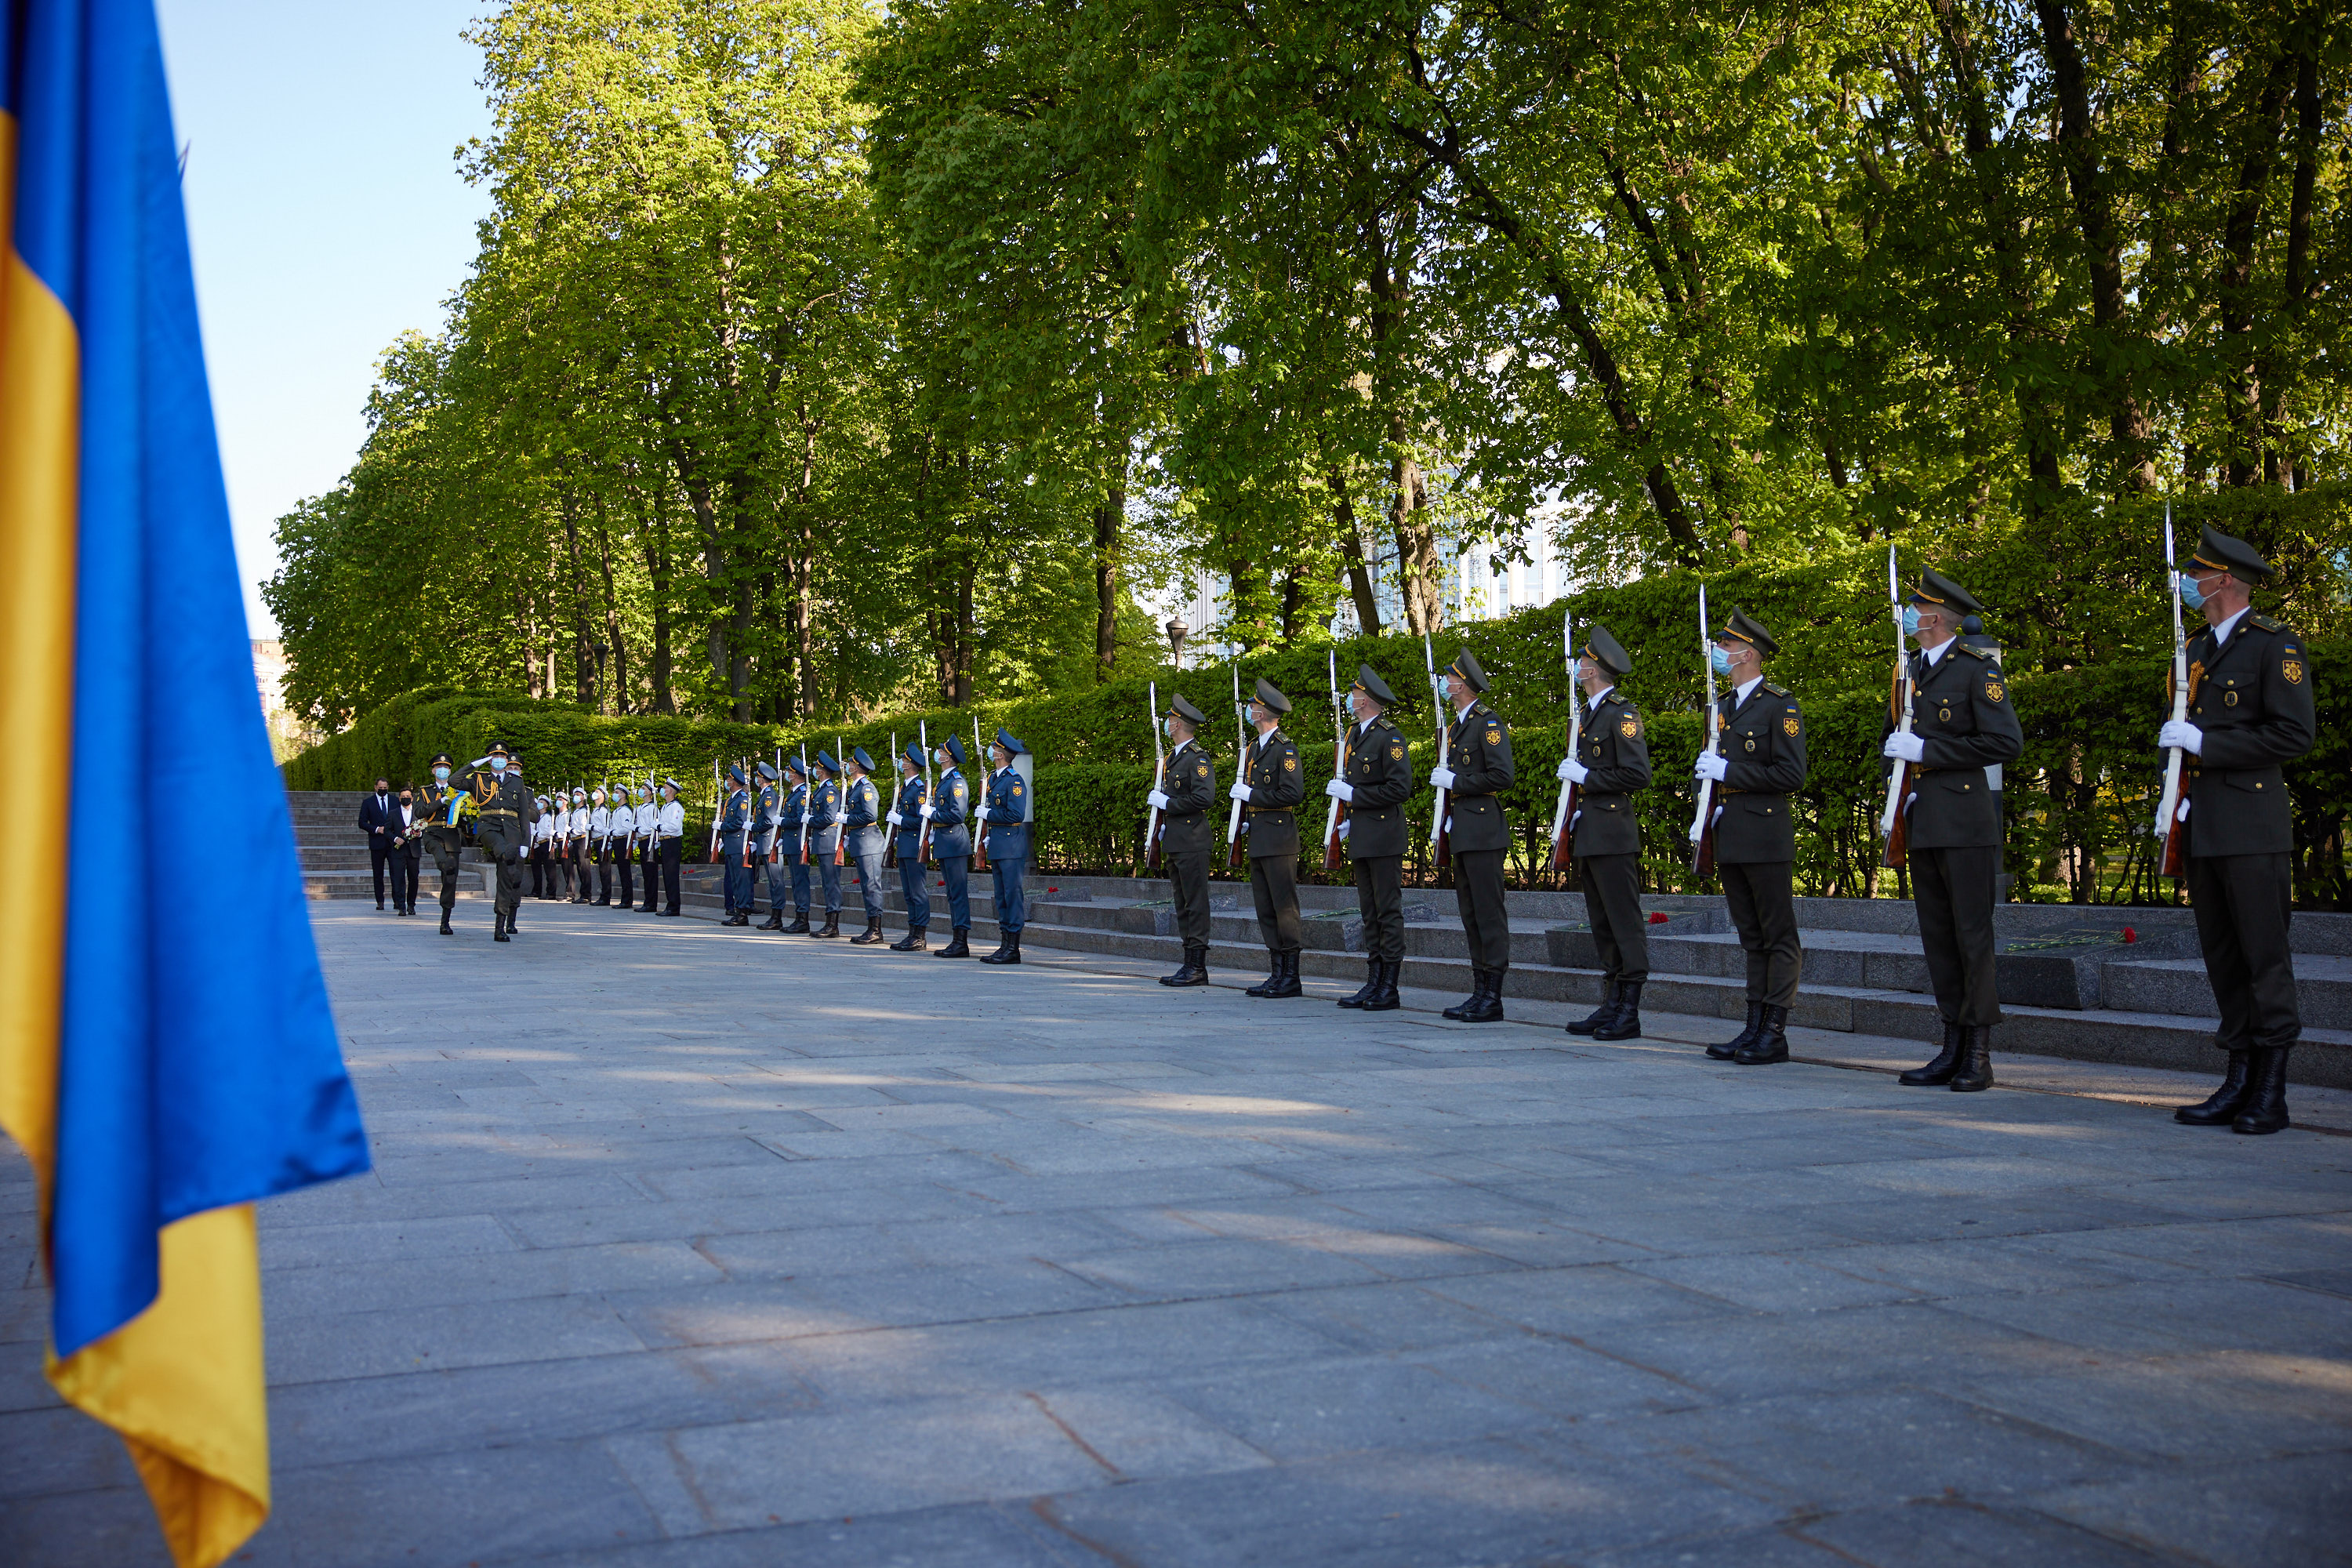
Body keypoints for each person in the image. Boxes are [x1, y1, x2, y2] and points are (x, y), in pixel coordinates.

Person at [2162, 524, 2317, 1135]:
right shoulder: (2197, 648)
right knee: (2224, 956)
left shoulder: (2273, 647)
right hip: (2204, 823)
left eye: (2198, 574)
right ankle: (2238, 1078)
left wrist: (2208, 743)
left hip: (2252, 826)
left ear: (2224, 580)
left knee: (2263, 956)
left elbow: (2294, 734)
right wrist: (2173, 793)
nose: (2190, 584)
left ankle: (2271, 1090)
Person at [1882, 570, 2024, 1092]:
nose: (1906, 614)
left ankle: (1979, 1054)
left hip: (1964, 822)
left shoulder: (1974, 672)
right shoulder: (1909, 671)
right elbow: (1892, 742)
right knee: (1939, 939)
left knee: (1971, 937)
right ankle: (1951, 1044)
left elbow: (2006, 742)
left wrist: (1930, 752)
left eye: (1913, 607)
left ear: (1935, 617)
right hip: (1921, 821)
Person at [1693, 607, 1808, 1065]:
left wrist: (1730, 769)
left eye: (1724, 646)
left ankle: (1775, 1031)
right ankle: (1753, 1026)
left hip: (1764, 831)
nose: (1718, 653)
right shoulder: (1721, 706)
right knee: (1751, 936)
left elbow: (1791, 773)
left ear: (1746, 653)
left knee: (1777, 934)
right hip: (1732, 831)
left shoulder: (1781, 705)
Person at [1560, 626, 1652, 1040]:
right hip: (1592, 833)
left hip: (1614, 835)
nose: (1578, 666)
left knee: (1623, 921)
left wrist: (1588, 777)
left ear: (1594, 669)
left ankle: (1628, 1011)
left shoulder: (1621, 714)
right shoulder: (1588, 716)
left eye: (1583, 661)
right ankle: (1611, 1002)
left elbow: (1637, 774)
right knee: (1602, 923)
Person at [1432, 649, 1515, 1022]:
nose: (1444, 683)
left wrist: (1458, 783)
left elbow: (1502, 776)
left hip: (1483, 830)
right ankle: (1479, 990)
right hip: (1464, 831)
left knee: (1488, 913)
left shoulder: (1487, 723)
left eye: (1449, 678)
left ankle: (1492, 996)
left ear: (1462, 685)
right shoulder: (1455, 727)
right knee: (1470, 914)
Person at [1329, 666, 1411, 1011]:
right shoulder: (1354, 735)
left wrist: (1355, 797)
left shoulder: (1389, 737)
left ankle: (1388, 986)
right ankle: (1373, 981)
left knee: (1387, 911)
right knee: (1369, 912)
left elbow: (1399, 788)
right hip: (1363, 834)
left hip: (1384, 836)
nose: (1349, 698)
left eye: (1353, 694)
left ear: (1366, 700)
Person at [1231, 679, 1305, 997]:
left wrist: (1252, 795)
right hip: (1260, 836)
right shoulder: (1252, 749)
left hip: (1279, 838)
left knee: (1284, 908)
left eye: (1252, 706)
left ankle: (1291, 976)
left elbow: (1292, 792)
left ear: (1263, 712)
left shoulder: (1284, 748)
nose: (1249, 710)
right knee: (1265, 908)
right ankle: (1276, 973)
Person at [1149, 695, 1218, 987]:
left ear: (1176, 724)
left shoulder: (1197, 758)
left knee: (1195, 904)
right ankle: (1188, 962)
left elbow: (1205, 798)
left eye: (1169, 720)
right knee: (1181, 904)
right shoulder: (1172, 758)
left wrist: (1168, 804)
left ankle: (1197, 966)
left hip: (1192, 840)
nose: (1166, 724)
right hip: (1176, 840)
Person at [468, 744, 537, 942]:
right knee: (506, 863)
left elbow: (530, 815)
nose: (512, 770)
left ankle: (508, 921)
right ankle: (504, 923)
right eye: (510, 767)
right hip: (494, 832)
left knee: (513, 879)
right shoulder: (485, 781)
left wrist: (526, 841)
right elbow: (458, 781)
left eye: (516, 768)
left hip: (515, 835)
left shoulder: (522, 788)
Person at [979, 729, 1033, 965]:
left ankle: (1013, 948)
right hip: (999, 844)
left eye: (993, 748)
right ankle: (1004, 945)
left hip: (1011, 846)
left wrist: (989, 814)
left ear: (1001, 754)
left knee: (1012, 896)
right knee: (1001, 897)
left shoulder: (1015, 780)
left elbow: (1015, 813)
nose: (991, 751)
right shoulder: (993, 778)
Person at [928, 735, 975, 958]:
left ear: (948, 757)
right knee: (951, 893)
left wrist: (933, 815)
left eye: (941, 752)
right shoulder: (944, 780)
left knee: (957, 894)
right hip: (944, 841)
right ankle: (956, 939)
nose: (938, 754)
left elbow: (957, 813)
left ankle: (961, 942)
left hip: (954, 840)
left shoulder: (957, 782)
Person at [418, 752, 470, 935]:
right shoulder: (425, 791)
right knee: (443, 861)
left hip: (452, 836)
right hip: (433, 834)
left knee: (450, 879)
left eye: (446, 768)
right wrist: (441, 801)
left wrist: (466, 814)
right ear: (433, 771)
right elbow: (419, 811)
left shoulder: (459, 792)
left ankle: (445, 920)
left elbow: (464, 819)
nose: (443, 770)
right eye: (439, 767)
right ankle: (443, 863)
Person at [843, 748, 889, 945]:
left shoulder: (866, 788)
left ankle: (876, 930)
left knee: (871, 886)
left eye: (850, 763)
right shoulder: (855, 788)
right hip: (860, 842)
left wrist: (848, 819)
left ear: (856, 767)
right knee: (866, 886)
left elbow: (871, 816)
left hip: (868, 843)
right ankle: (871, 927)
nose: (847, 766)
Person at [888, 744, 931, 950]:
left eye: (902, 760)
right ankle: (912, 932)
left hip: (914, 845)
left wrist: (901, 820)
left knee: (917, 891)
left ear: (909, 765)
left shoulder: (919, 789)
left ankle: (920, 935)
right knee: (908, 892)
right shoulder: (905, 788)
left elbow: (922, 821)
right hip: (905, 845)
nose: (900, 763)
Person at [804, 753, 845, 937]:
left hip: (828, 842)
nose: (814, 770)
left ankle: (833, 925)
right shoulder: (821, 789)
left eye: (816, 767)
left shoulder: (830, 791)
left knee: (831, 883)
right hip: (822, 841)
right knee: (827, 884)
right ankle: (829, 922)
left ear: (822, 771)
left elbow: (828, 818)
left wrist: (810, 821)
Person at [775, 756, 812, 933]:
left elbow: (798, 819)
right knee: (796, 882)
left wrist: (782, 822)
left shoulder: (803, 793)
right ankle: (799, 918)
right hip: (791, 842)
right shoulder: (794, 792)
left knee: (801, 881)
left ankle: (803, 919)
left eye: (789, 772)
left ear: (796, 775)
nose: (787, 774)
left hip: (798, 842)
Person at [718, 764, 754, 926]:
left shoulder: (743, 800)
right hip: (731, 845)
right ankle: (738, 910)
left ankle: (742, 913)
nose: (726, 782)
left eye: (728, 780)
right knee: (734, 880)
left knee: (741, 880)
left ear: (733, 782)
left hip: (739, 844)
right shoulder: (733, 800)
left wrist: (722, 827)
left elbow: (740, 822)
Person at [752, 762, 784, 928]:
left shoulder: (770, 796)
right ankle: (775, 916)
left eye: (758, 777)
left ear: (762, 779)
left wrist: (753, 827)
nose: (756, 779)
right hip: (764, 842)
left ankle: (777, 917)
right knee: (772, 881)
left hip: (770, 842)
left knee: (775, 881)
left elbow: (769, 821)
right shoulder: (764, 795)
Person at [358, 777, 397, 910]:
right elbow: (362, 822)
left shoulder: (395, 801)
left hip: (392, 843)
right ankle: (380, 901)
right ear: (375, 787)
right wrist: (376, 829)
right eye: (380, 788)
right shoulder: (368, 802)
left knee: (395, 873)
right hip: (377, 842)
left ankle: (397, 900)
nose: (383, 790)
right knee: (378, 874)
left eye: (385, 788)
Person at [389, 783, 423, 916]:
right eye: (403, 797)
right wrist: (395, 838)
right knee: (399, 879)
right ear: (399, 798)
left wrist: (419, 834)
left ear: (412, 798)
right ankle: (401, 906)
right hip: (399, 851)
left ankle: (411, 905)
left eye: (408, 796)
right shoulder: (393, 813)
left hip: (413, 851)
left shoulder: (418, 812)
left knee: (414, 878)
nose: (406, 798)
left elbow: (424, 829)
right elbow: (387, 830)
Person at [655, 777, 686, 916]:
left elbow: (674, 826)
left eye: (665, 788)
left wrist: (659, 826)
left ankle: (674, 907)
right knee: (667, 875)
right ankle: (670, 905)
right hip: (665, 841)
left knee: (672, 875)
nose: (662, 790)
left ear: (671, 791)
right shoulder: (666, 806)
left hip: (672, 841)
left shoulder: (676, 807)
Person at [634, 782, 662, 913]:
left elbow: (653, 826)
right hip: (641, 840)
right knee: (646, 873)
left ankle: (651, 903)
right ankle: (647, 901)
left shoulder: (653, 808)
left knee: (651, 874)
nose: (641, 790)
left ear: (650, 792)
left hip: (649, 841)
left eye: (644, 789)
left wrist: (638, 828)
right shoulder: (640, 807)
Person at [608, 784, 637, 913]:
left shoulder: (625, 810)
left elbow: (626, 828)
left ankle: (627, 900)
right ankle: (625, 899)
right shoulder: (617, 810)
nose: (615, 794)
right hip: (617, 841)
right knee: (622, 871)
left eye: (617, 792)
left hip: (623, 840)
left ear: (624, 795)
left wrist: (613, 832)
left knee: (625, 872)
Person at [587, 785, 614, 906]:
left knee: (605, 870)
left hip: (603, 840)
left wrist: (592, 827)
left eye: (598, 792)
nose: (595, 793)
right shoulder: (595, 810)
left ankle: (605, 897)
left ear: (603, 796)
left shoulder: (603, 811)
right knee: (602, 869)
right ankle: (603, 896)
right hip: (597, 840)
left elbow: (605, 827)